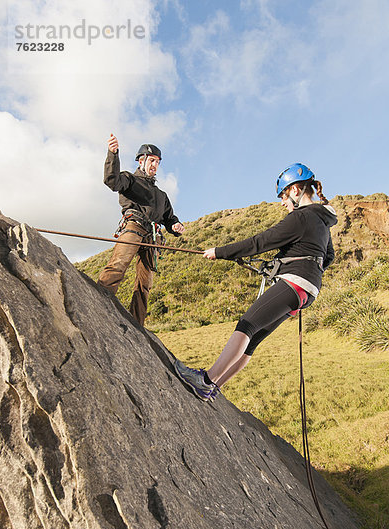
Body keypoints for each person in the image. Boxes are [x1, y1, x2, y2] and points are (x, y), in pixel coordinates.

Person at [175, 163, 337, 400]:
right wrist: (291, 264)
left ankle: (206, 381)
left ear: (295, 190)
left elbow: (260, 242)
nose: (282, 202)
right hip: (308, 291)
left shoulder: (300, 218)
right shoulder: (322, 222)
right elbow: (328, 257)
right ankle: (215, 387)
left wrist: (220, 251)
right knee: (254, 340)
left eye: (283, 195)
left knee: (247, 325)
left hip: (294, 283)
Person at [98, 134, 185, 325]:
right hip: (134, 226)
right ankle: (97, 305)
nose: (155, 165)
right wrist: (113, 154)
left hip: (153, 238)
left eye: (157, 162)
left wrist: (176, 226)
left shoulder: (161, 195)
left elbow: (169, 219)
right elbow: (112, 181)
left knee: (145, 284)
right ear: (141, 160)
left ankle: (137, 323)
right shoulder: (130, 179)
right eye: (151, 160)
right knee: (118, 266)